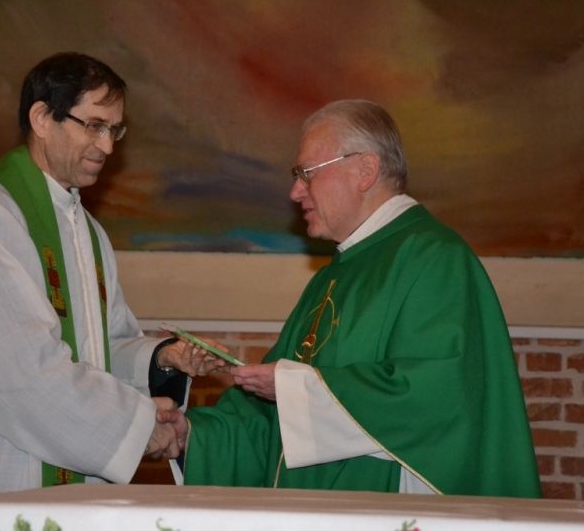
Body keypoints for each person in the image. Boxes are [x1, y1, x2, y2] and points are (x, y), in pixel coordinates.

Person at [0, 52, 216, 516]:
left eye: (115, 130)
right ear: (42, 118)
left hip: (71, 488)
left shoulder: (87, 230)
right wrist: (138, 428)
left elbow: (100, 349)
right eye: (94, 125)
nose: (107, 146)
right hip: (0, 480)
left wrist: (160, 357)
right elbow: (19, 373)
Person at [183, 99, 541, 497]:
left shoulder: (433, 259)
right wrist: (187, 435)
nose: (295, 191)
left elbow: (433, 398)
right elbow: (267, 419)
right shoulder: (331, 277)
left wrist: (296, 388)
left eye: (306, 173)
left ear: (365, 170)